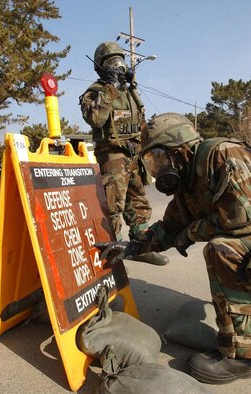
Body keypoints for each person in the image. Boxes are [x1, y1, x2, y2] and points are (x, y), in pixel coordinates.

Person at [96, 112, 251, 385]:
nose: (156, 169)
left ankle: (242, 355)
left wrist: (191, 233)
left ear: (179, 149)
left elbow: (238, 218)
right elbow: (170, 227)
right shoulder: (189, 179)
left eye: (158, 158)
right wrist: (132, 246)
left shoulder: (223, 154)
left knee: (221, 250)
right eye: (150, 162)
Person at [79, 41, 168, 265]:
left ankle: (142, 245)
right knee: (112, 205)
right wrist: (110, 88)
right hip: (113, 156)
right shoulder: (96, 92)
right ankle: (111, 250)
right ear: (100, 66)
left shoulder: (129, 93)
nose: (118, 66)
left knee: (138, 201)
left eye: (120, 61)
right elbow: (95, 119)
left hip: (134, 155)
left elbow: (141, 123)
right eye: (112, 62)